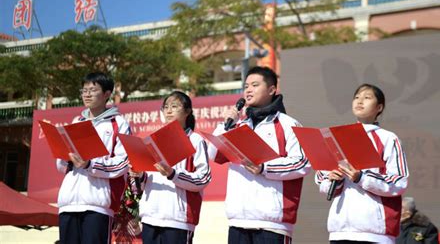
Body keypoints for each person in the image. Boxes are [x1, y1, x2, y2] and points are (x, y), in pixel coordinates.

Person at [208, 66, 311, 244]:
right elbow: (213, 153)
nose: (248, 90)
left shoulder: (288, 124)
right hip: (238, 220)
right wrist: (225, 124)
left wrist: (264, 168)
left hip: (272, 223)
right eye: (246, 86)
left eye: (255, 85)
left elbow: (302, 163)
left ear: (271, 90)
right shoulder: (238, 125)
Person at [315, 83, 409, 244]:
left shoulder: (388, 139)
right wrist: (333, 179)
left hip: (374, 233)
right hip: (340, 231)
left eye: (367, 98)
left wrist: (362, 177)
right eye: (357, 97)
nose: (360, 101)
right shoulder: (337, 137)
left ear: (379, 107)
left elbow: (399, 181)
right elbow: (321, 182)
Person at [56, 72, 131, 244]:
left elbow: (123, 163)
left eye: (93, 90)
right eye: (84, 90)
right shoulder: (76, 122)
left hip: (98, 205)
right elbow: (62, 167)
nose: (87, 94)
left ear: (106, 94)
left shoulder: (118, 123)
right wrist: (63, 157)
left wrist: (90, 164)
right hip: (68, 203)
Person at [130, 90, 211, 244]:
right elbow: (147, 180)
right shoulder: (153, 141)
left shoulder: (195, 140)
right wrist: (139, 174)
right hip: (150, 217)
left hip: (178, 219)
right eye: (166, 107)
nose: (168, 110)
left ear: (187, 111)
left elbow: (203, 178)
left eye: (174, 106)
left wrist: (173, 174)